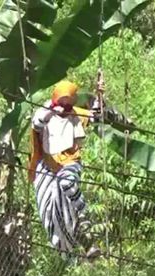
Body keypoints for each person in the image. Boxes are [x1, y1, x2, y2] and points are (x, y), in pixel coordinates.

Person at [28, 80, 101, 260]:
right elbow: (37, 124)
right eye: (62, 102)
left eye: (69, 104)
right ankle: (71, 253)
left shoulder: (77, 115)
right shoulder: (44, 112)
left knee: (67, 182)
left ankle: (84, 220)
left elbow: (98, 115)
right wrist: (52, 110)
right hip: (46, 166)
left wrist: (99, 94)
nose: (66, 107)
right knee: (50, 212)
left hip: (69, 163)